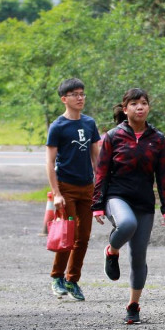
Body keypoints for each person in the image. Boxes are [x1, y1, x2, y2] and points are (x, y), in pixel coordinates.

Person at [92, 88, 165, 324]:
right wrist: (97, 203)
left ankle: (133, 304)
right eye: (135, 104)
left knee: (139, 257)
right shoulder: (113, 136)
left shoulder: (157, 139)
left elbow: (164, 174)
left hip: (144, 201)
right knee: (127, 224)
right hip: (117, 197)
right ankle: (112, 250)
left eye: (144, 103)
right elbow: (101, 172)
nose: (140, 107)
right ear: (125, 108)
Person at [45, 78, 100, 301]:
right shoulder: (58, 126)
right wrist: (56, 193)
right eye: (75, 94)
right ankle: (57, 277)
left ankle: (72, 279)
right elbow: (49, 162)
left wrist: (100, 187)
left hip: (87, 187)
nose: (80, 98)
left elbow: (96, 158)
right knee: (69, 234)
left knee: (84, 237)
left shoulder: (89, 123)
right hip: (66, 187)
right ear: (64, 99)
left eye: (82, 94)